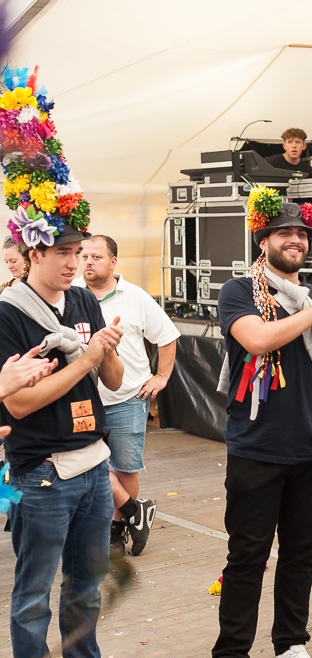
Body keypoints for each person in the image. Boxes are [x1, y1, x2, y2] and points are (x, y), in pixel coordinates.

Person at [204, 198, 312, 658]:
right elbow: (258, 339)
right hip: (258, 450)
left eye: (302, 233)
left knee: (300, 555)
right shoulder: (240, 292)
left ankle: (291, 649)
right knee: (246, 559)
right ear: (262, 240)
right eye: (284, 232)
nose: (296, 239)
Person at [0, 225, 128, 658]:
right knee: (33, 595)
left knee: (87, 586)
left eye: (78, 252)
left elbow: (113, 381)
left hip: (94, 464)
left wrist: (107, 350)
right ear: (33, 253)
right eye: (62, 253)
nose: (74, 263)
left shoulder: (82, 300)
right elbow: (18, 402)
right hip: (41, 472)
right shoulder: (9, 313)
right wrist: (88, 358)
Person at [74, 235, 181, 557]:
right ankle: (137, 512)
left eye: (96, 257)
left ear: (113, 262)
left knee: (125, 468)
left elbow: (167, 336)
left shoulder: (135, 297)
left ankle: (116, 530)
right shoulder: (71, 295)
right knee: (83, 462)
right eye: (84, 256)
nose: (88, 262)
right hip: (82, 400)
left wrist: (161, 377)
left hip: (127, 398)